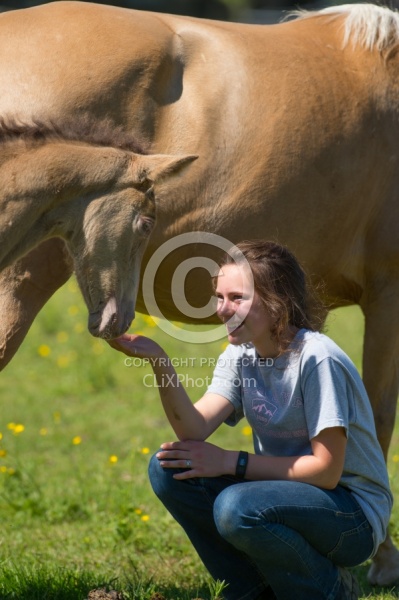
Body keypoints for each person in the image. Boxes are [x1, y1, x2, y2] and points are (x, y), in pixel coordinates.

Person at [109, 240, 393, 600]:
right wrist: (160, 361)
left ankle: (330, 590)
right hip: (292, 495)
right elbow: (193, 429)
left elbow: (326, 471)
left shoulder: (317, 359)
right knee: (168, 471)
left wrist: (231, 462)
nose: (222, 309)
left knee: (236, 508)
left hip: (351, 515)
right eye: (219, 296)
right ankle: (254, 591)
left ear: (278, 305)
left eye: (237, 298)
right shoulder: (240, 353)